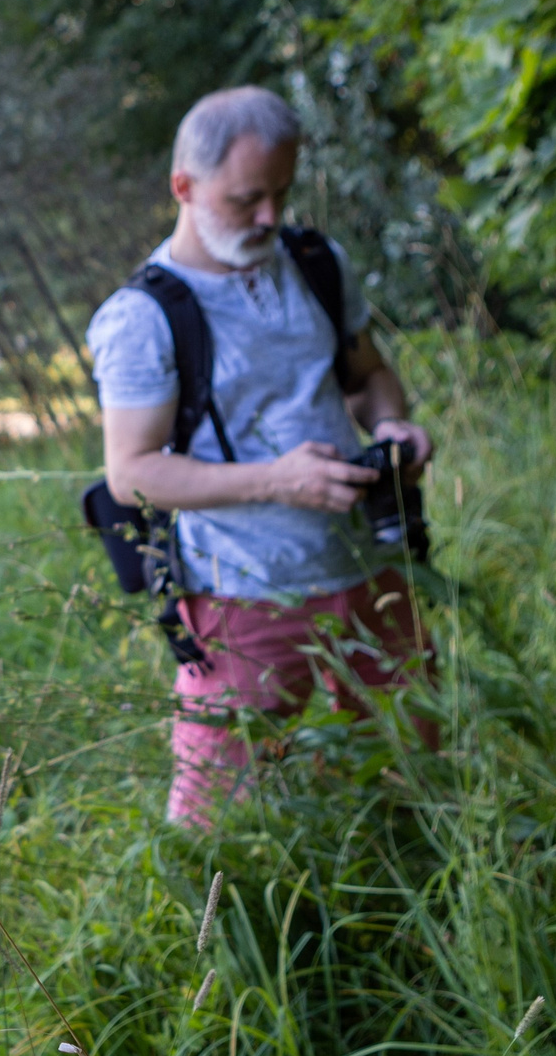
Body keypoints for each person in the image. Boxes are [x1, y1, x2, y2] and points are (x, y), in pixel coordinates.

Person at [87, 85, 437, 830]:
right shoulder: (141, 318)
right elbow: (134, 471)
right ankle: (232, 941)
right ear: (184, 186)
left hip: (371, 567)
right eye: (248, 199)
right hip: (241, 596)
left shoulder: (314, 261)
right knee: (217, 822)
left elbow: (368, 376)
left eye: (281, 192)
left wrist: (394, 427)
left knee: (417, 769)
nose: (271, 217)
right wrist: (281, 478)